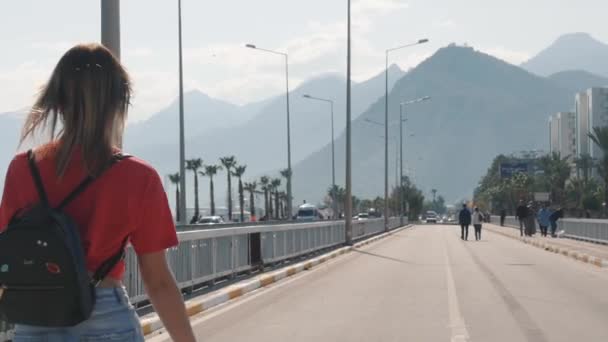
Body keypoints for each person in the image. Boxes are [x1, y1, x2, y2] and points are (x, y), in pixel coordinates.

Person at [0, 44, 195, 342]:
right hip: (107, 319)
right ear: (120, 102)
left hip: (35, 319)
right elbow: (158, 282)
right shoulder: (139, 177)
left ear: (57, 100)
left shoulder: (22, 169)